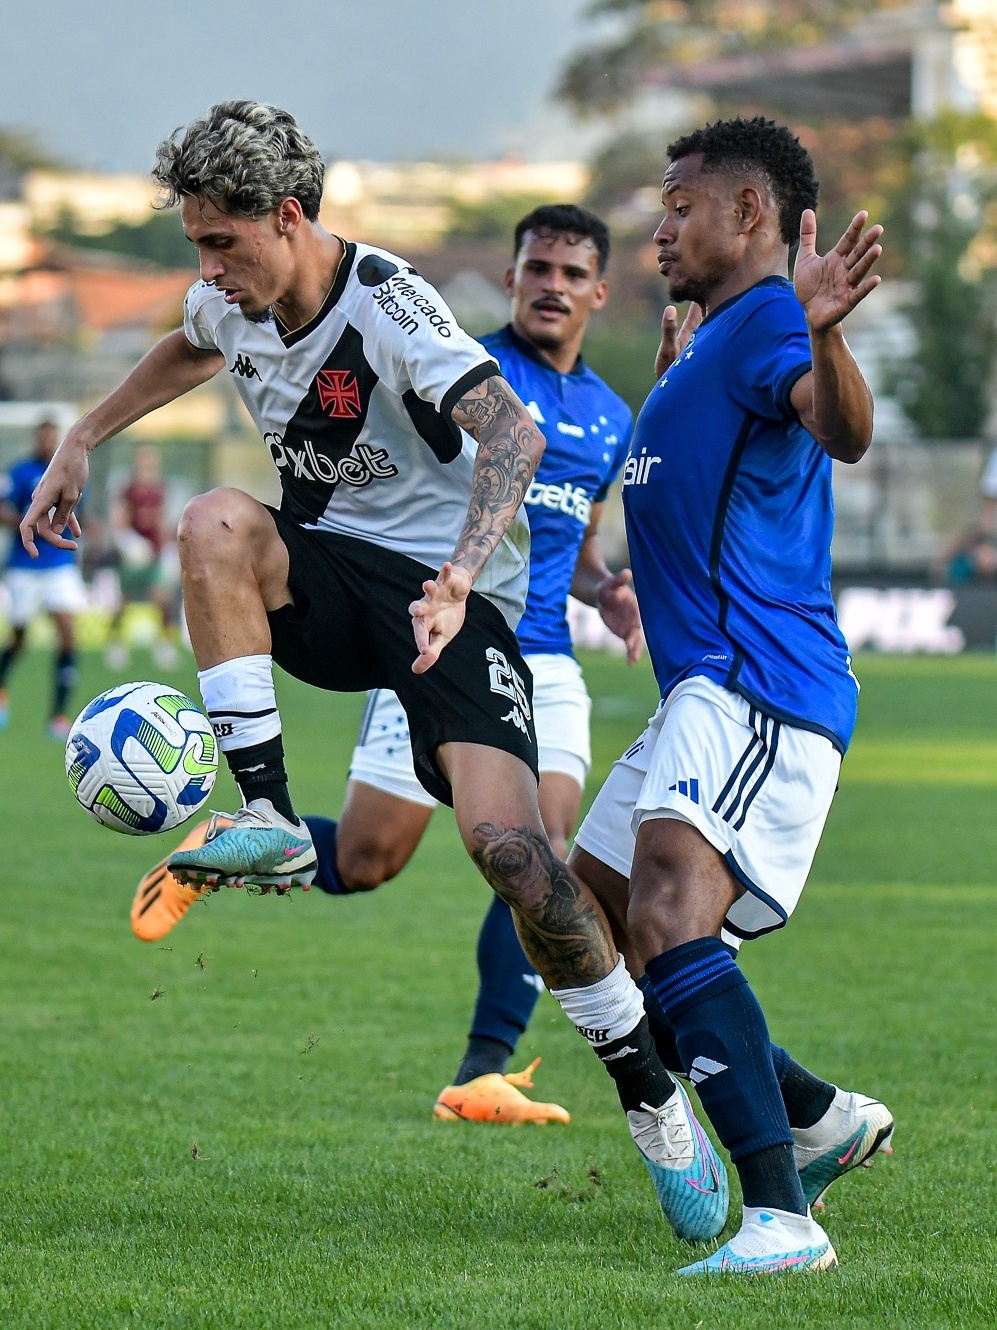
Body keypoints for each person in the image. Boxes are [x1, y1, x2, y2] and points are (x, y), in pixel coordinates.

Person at [22, 102, 729, 1247]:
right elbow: (191, 343)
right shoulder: (230, 297)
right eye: (197, 246)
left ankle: (654, 1103)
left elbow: (513, 436)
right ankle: (263, 815)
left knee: (516, 857)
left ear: (290, 218)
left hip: (452, 607)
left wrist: (456, 576)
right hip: (332, 586)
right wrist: (84, 437)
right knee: (213, 522)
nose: (208, 271)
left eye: (223, 245)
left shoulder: (390, 303)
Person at [132, 203, 640, 1127]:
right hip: (413, 619)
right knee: (367, 859)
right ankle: (234, 845)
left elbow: (575, 539)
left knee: (533, 852)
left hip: (543, 656)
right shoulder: (447, 351)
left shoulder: (610, 416)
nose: (551, 287)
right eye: (537, 269)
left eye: (571, 274)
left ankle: (486, 1067)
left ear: (598, 291)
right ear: (516, 275)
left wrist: (606, 588)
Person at [562, 117, 895, 1275]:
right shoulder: (702, 346)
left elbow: (838, 428)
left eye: (679, 205)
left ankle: (780, 1217)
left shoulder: (763, 324)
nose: (657, 228)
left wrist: (819, 327)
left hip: (758, 687)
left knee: (661, 918)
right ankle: (813, 1115)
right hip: (698, 691)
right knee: (592, 921)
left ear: (749, 214)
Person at [0, 419, 85, 739]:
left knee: (67, 634)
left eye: (53, 437)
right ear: (37, 439)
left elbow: (78, 508)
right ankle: (1, 689)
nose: (49, 442)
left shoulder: (66, 473)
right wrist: (28, 521)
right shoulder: (20, 472)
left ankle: (59, 715)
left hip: (59, 564)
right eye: (44, 437)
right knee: (19, 638)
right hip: (25, 563)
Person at [105, 446, 183, 671]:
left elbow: (162, 520)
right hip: (133, 554)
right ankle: (116, 643)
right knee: (124, 601)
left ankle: (164, 645)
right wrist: (129, 543)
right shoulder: (128, 490)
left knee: (163, 599)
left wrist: (167, 548)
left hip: (155, 553)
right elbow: (119, 519)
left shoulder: (160, 490)